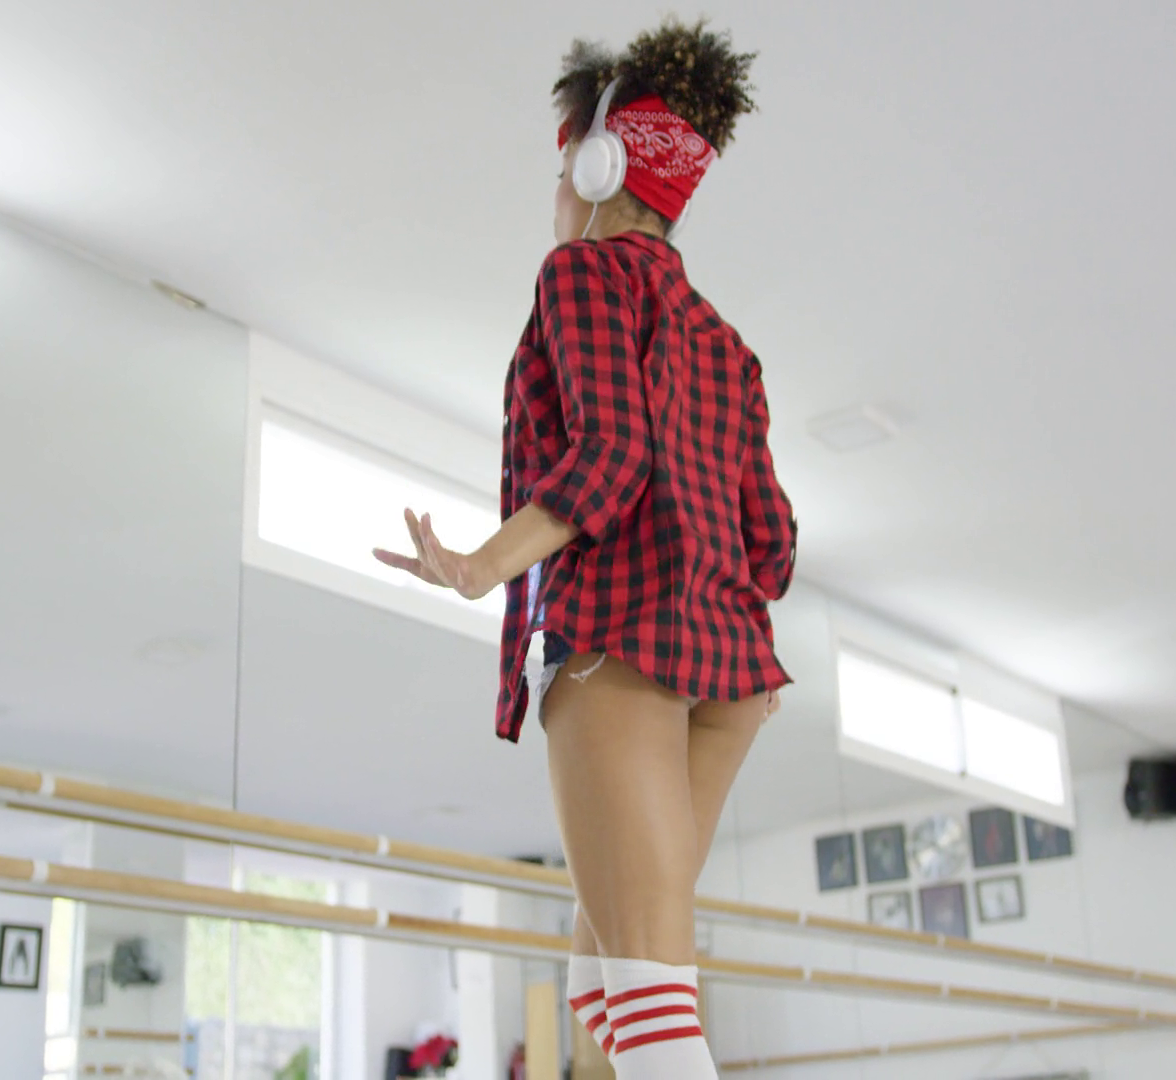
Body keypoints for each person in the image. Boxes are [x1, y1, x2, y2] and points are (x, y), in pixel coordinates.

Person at [375, 19, 793, 1079]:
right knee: (604, 994)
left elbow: (611, 455)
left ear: (598, 164)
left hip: (621, 646)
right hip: (732, 682)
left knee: (648, 1012)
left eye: (562, 168)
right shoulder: (728, 346)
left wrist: (479, 565)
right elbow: (774, 546)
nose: (556, 192)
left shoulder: (581, 275)